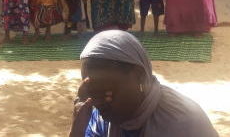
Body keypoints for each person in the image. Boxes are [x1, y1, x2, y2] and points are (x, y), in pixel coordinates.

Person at [69, 30, 218, 137]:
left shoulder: (183, 123)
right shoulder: (100, 118)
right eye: (93, 92)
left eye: (107, 93)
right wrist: (77, 130)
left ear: (139, 77)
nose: (98, 103)